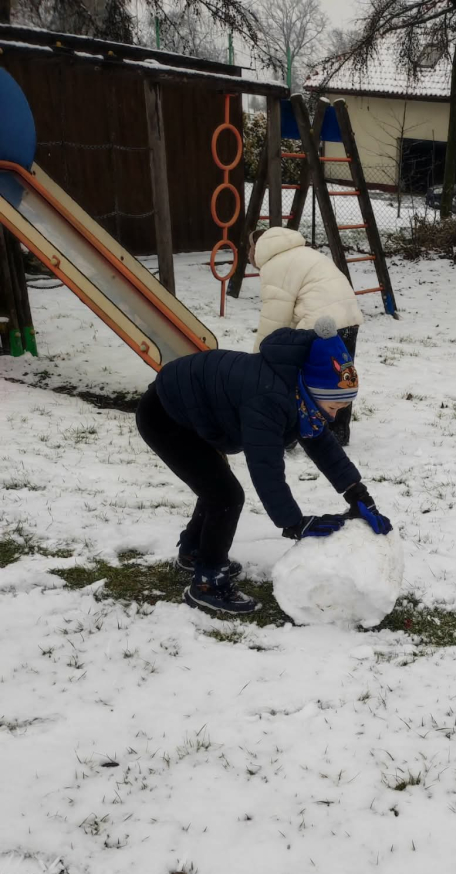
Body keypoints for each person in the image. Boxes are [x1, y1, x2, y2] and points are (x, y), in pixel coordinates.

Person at [135, 317, 391, 616]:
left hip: (195, 412)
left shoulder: (299, 388)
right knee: (224, 495)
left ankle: (194, 551)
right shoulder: (269, 399)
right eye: (333, 408)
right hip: (165, 416)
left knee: (216, 488)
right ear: (312, 392)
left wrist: (356, 492)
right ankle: (207, 584)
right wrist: (294, 522)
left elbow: (320, 443)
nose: (333, 417)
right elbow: (265, 467)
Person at [250, 225, 363, 447]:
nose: (248, 255)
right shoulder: (305, 253)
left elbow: (274, 318)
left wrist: (258, 359)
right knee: (341, 376)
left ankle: (291, 431)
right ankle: (338, 430)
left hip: (318, 324)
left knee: (299, 376)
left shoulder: (275, 265)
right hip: (348, 317)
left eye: (249, 248)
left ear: (259, 247)